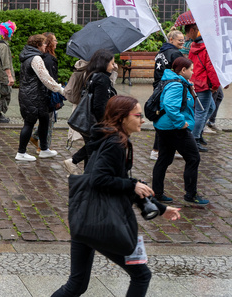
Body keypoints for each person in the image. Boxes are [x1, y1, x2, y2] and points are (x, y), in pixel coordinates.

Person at [51, 96, 180, 297]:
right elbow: (99, 179)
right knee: (141, 275)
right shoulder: (116, 143)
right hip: (101, 223)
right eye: (137, 116)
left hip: (84, 219)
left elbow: (121, 183)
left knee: (77, 284)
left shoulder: (109, 138)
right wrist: (132, 184)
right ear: (122, 117)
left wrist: (160, 208)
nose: (142, 120)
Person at [151, 57, 208, 205]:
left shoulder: (175, 81)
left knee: (164, 159)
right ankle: (191, 194)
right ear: (183, 70)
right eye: (191, 69)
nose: (193, 71)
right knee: (193, 158)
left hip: (164, 126)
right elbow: (170, 105)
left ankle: (157, 193)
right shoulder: (176, 85)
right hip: (174, 128)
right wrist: (181, 123)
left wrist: (189, 86)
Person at [63, 49, 117, 173]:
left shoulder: (92, 75)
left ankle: (85, 176)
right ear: (104, 63)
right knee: (96, 145)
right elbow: (99, 105)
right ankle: (74, 161)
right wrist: (104, 124)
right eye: (112, 63)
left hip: (89, 119)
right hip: (95, 121)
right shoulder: (102, 79)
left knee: (92, 149)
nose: (113, 66)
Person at [15, 34, 65, 162]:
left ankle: (44, 149)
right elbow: (45, 78)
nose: (45, 46)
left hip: (32, 94)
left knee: (44, 120)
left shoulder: (27, 56)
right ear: (37, 45)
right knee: (29, 123)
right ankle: (21, 152)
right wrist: (59, 89)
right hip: (33, 95)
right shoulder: (36, 58)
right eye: (43, 44)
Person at [149, 29, 185, 160]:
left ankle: (169, 148)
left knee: (165, 117)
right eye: (179, 40)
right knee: (166, 117)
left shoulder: (161, 52)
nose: (182, 42)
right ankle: (156, 149)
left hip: (159, 87)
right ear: (171, 40)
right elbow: (181, 71)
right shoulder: (175, 53)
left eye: (183, 40)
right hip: (168, 88)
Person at [188, 30, 218, 152]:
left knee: (211, 107)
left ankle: (198, 133)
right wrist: (216, 84)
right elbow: (210, 68)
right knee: (200, 112)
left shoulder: (194, 47)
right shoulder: (207, 49)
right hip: (203, 84)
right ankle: (194, 140)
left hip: (196, 82)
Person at [30, 32, 60, 151]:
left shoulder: (45, 57)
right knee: (49, 121)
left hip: (44, 94)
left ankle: (35, 137)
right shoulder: (48, 59)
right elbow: (50, 79)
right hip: (47, 95)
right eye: (55, 40)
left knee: (47, 119)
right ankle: (43, 147)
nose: (56, 42)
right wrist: (56, 96)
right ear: (49, 43)